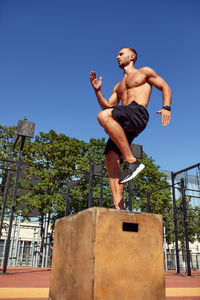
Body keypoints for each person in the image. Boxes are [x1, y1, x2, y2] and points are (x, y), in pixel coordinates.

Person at [90, 47, 171, 210]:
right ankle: (118, 206)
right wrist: (97, 91)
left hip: (137, 112)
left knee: (103, 117)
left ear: (132, 56)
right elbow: (108, 106)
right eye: (117, 54)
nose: (117, 57)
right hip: (124, 121)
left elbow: (165, 87)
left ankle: (131, 161)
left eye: (121, 54)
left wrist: (166, 107)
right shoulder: (118, 86)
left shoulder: (144, 72)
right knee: (111, 158)